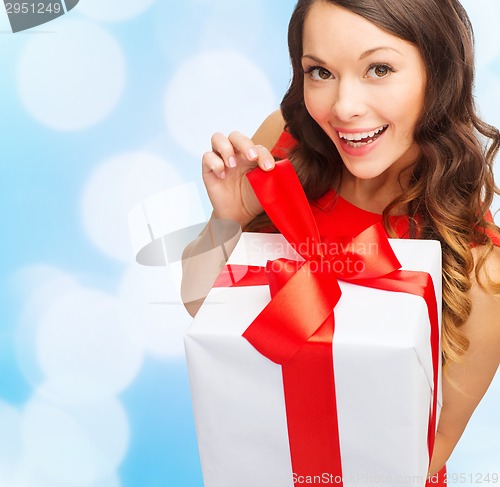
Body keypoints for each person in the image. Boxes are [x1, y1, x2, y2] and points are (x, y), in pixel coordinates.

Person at [181, 0, 500, 482]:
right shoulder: (282, 147)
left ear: (439, 74)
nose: (344, 108)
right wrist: (228, 217)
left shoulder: (481, 269)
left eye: (379, 68)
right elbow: (197, 302)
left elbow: (422, 456)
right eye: (320, 72)